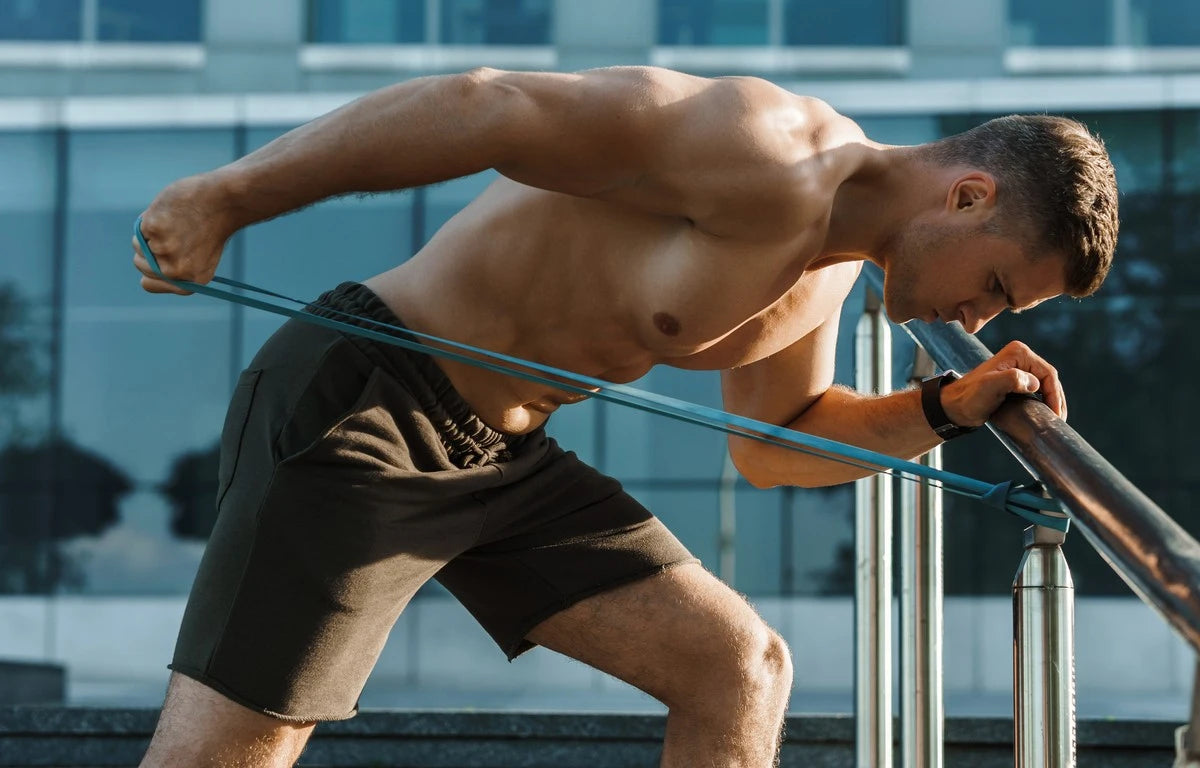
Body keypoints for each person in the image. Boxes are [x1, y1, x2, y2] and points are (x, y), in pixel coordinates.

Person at [131, 66, 1118, 767]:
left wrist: (944, 406)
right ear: (968, 192)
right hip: (372, 400)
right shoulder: (764, 147)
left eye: (999, 313)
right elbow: (488, 105)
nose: (974, 320)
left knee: (739, 665)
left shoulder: (829, 278)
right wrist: (225, 196)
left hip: (502, 459)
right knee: (239, 749)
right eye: (991, 284)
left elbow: (779, 444)